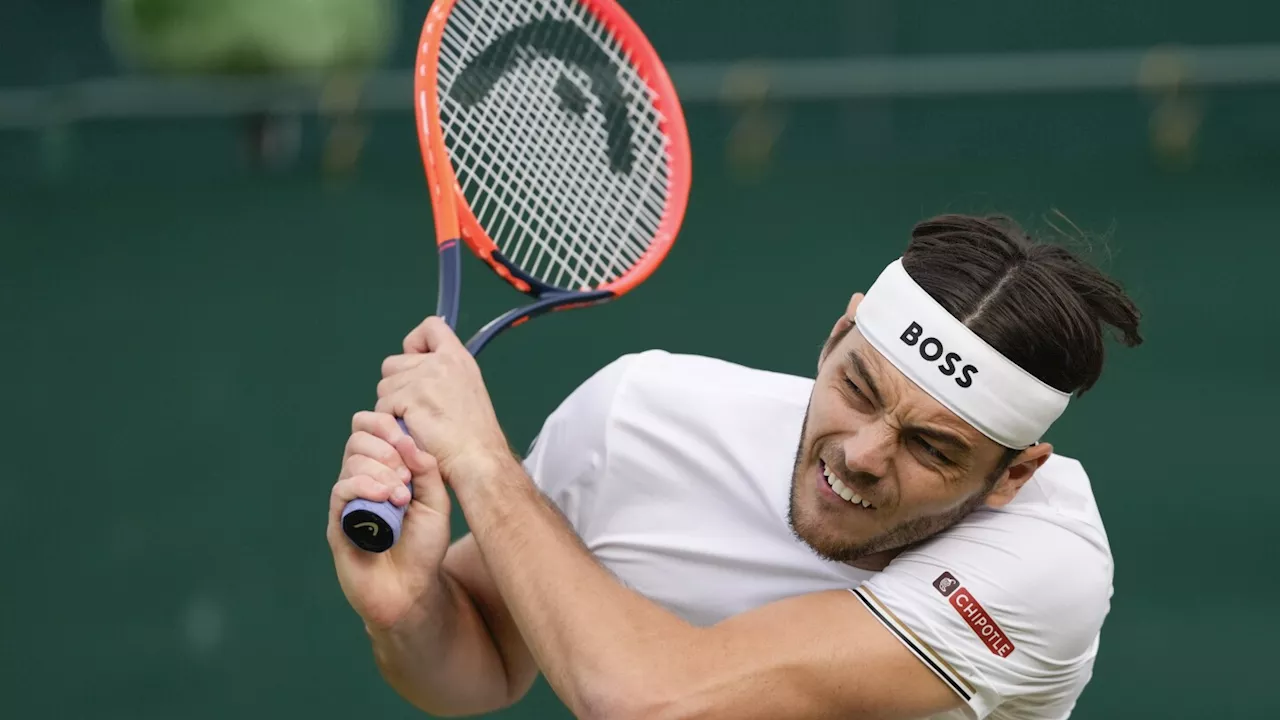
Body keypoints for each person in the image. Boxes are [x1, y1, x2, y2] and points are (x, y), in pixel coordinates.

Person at [326, 213, 1143, 720]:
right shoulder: (638, 416)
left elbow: (653, 704)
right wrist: (407, 612)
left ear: (1013, 475)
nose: (862, 455)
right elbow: (486, 665)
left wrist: (484, 465)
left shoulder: (1047, 562)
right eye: (858, 387)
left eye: (933, 447)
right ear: (834, 339)